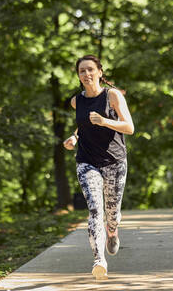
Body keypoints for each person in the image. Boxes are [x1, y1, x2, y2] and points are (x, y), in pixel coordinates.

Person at [63, 55, 134, 280]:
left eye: (90, 70)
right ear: (78, 76)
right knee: (95, 209)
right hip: (87, 162)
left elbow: (129, 127)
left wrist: (105, 121)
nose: (86, 74)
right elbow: (82, 126)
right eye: (82, 71)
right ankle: (99, 260)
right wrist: (73, 138)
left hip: (115, 161)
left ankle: (112, 231)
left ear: (100, 72)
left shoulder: (112, 95)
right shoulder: (76, 101)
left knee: (111, 214)